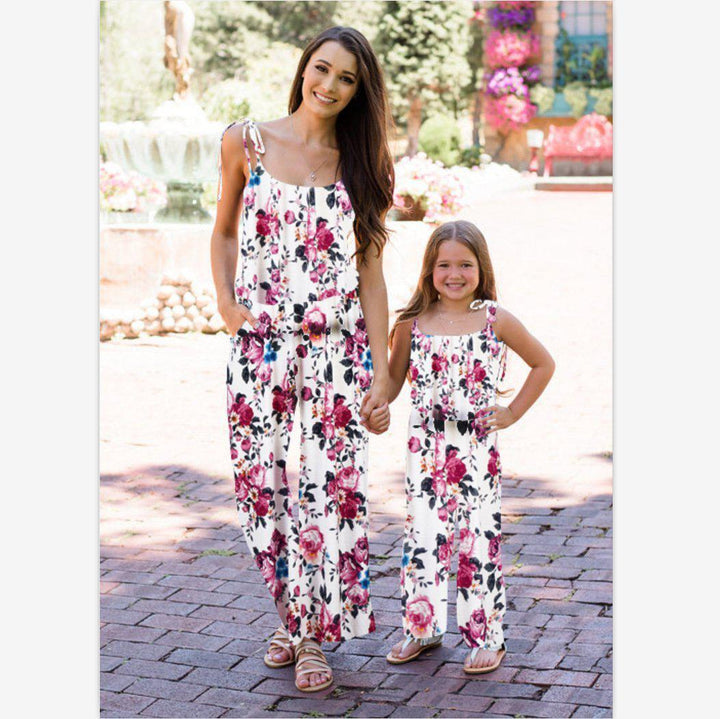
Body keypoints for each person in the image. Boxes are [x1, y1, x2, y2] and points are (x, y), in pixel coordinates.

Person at [210, 27, 394, 692]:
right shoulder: (246, 142)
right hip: (258, 346)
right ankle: (293, 611)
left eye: (347, 78)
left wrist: (382, 372)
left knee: (328, 487)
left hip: (337, 351)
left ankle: (309, 632)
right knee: (259, 486)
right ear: (304, 67)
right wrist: (228, 306)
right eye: (322, 68)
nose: (330, 85)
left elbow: (371, 274)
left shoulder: (364, 164)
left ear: (359, 91)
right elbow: (224, 230)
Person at [368, 220, 555, 674]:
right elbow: (392, 382)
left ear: (481, 267)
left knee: (477, 537)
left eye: (465, 264)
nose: (454, 274)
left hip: (475, 449)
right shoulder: (411, 324)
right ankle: (422, 627)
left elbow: (543, 363)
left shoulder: (495, 319)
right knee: (422, 536)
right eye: (444, 265)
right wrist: (377, 404)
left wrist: (511, 413)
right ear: (429, 270)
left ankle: (486, 635)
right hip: (424, 447)